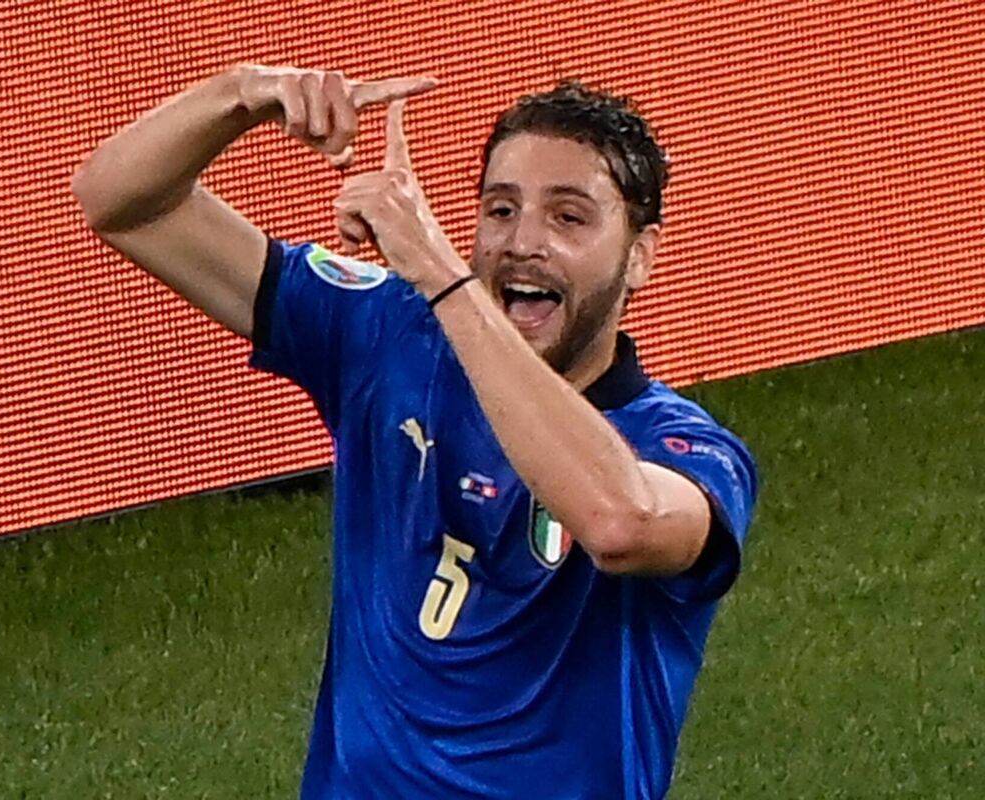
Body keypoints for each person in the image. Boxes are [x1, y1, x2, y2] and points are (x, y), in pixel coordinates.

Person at [72, 64, 758, 800]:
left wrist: (441, 274)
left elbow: (620, 522)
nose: (523, 243)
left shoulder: (683, 447)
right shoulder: (389, 337)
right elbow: (121, 202)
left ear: (641, 256)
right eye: (499, 210)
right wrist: (243, 95)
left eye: (568, 217)